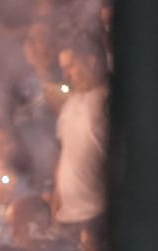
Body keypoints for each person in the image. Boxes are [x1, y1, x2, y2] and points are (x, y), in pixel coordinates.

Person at [53, 33, 109, 233]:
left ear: (91, 61)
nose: (66, 75)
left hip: (98, 215)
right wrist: (56, 200)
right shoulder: (71, 103)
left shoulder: (108, 101)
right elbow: (65, 154)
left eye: (70, 66)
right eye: (63, 69)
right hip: (68, 217)